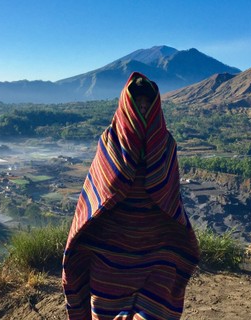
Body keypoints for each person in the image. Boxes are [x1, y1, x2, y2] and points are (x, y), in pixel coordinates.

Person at [62, 72, 199, 320]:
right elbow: (101, 187)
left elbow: (169, 192)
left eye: (147, 105)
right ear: (128, 106)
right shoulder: (110, 141)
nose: (143, 110)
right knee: (107, 307)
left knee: (154, 307)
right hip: (110, 245)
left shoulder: (166, 145)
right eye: (138, 105)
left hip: (155, 245)